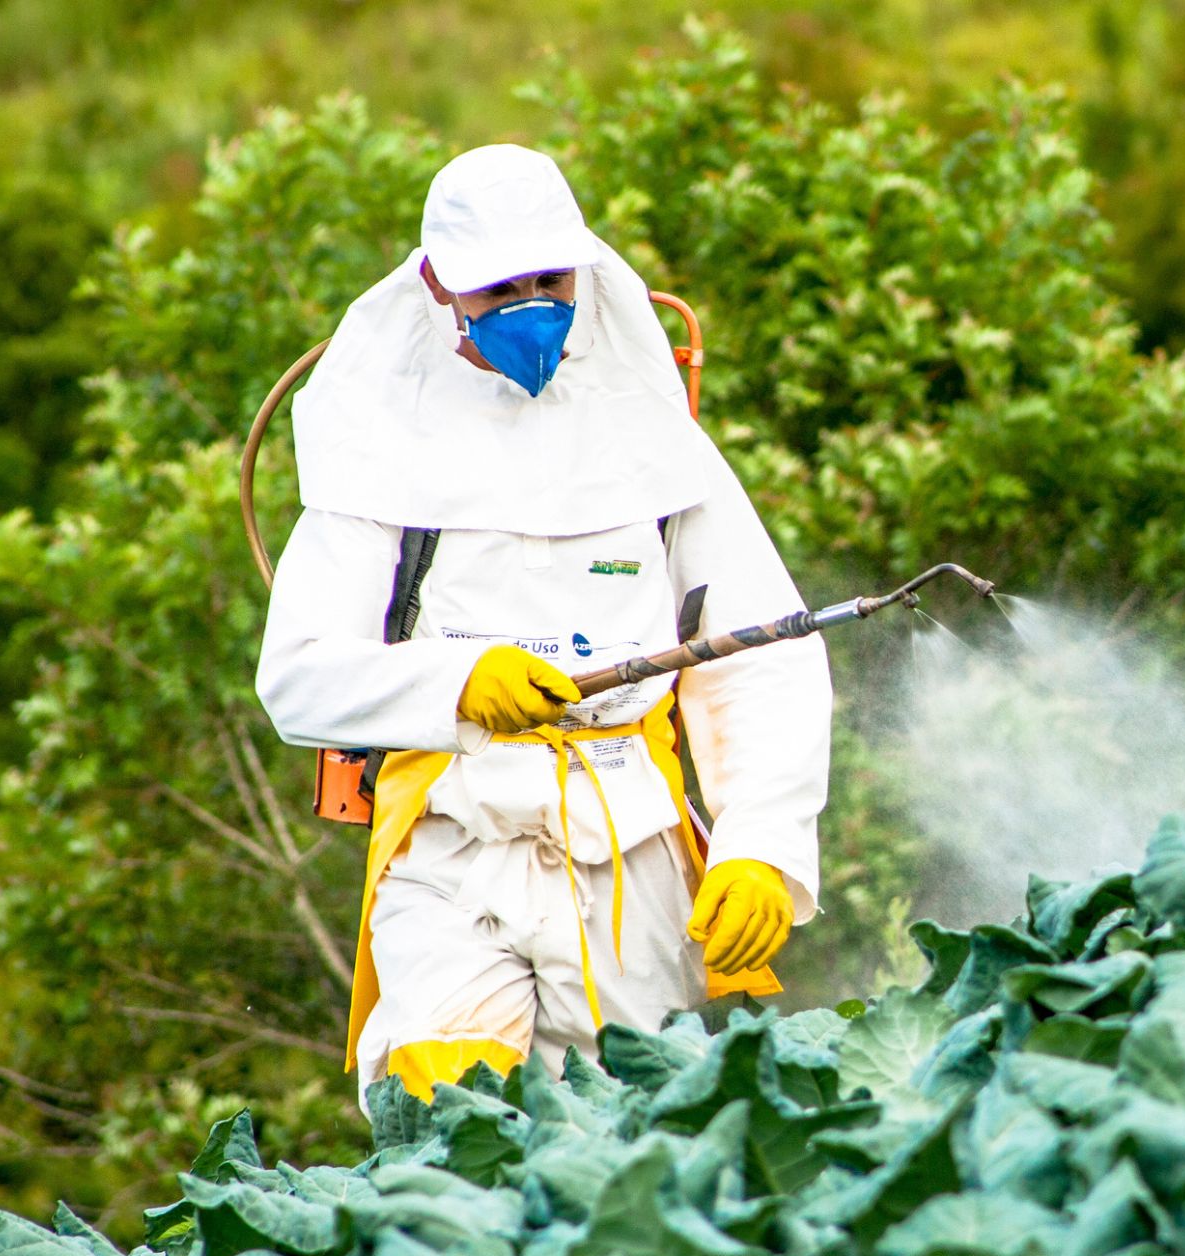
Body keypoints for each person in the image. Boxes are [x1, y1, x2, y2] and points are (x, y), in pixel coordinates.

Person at [256, 144, 832, 1108]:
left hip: (632, 845)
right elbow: (298, 676)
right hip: (453, 839)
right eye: (499, 284)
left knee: (634, 1142)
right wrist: (456, 683)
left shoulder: (647, 428)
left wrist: (763, 845)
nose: (532, 302)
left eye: (550, 278)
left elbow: (762, 651)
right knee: (446, 1124)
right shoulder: (381, 437)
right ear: (439, 282)